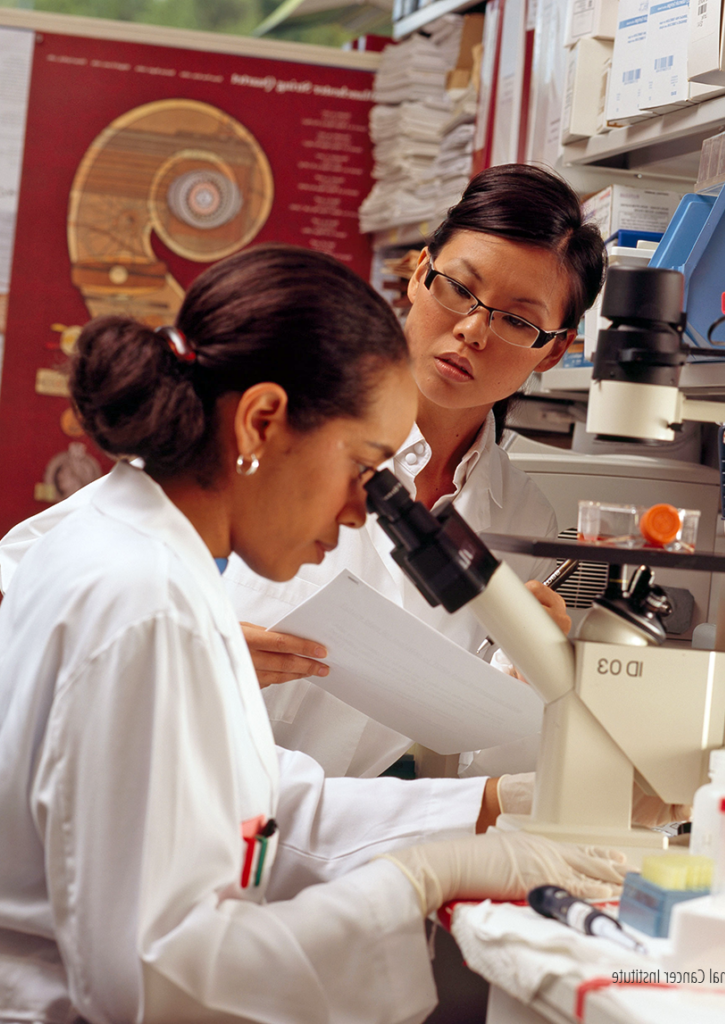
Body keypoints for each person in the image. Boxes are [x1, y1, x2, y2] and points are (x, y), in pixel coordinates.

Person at [0, 245, 627, 1024]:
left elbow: (251, 806)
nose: (363, 512)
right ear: (263, 421)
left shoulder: (141, 547)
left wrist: (486, 810)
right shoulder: (147, 602)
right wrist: (414, 883)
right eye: (362, 466)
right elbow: (161, 981)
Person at [225, 164, 606, 778]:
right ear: (420, 272)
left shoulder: (525, 518)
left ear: (555, 349)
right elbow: (49, 559)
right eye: (458, 288)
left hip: (353, 834)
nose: (473, 330)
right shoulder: (274, 411)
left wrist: (529, 673)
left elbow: (473, 747)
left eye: (517, 320)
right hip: (194, 785)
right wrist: (189, 648)